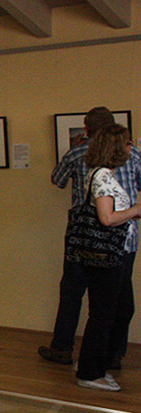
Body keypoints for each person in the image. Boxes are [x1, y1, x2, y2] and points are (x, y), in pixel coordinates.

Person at [41, 107, 141, 368]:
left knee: (73, 294)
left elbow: (57, 179)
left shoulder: (78, 153)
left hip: (83, 238)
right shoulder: (133, 156)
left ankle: (63, 348)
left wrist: (72, 149)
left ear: (86, 130)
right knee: (116, 301)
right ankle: (112, 355)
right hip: (121, 241)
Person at [73, 124, 141, 391]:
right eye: (127, 144)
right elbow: (107, 218)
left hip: (117, 254)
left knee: (122, 310)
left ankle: (95, 364)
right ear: (116, 148)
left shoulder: (107, 175)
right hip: (106, 256)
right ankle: (90, 373)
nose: (130, 148)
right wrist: (135, 210)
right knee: (104, 314)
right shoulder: (102, 176)